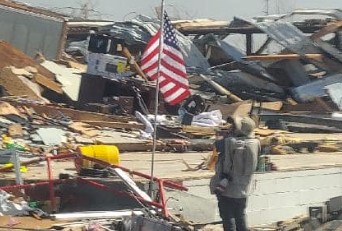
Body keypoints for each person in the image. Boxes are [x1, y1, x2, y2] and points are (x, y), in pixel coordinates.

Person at [210, 116, 260, 231]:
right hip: (244, 187)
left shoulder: (230, 142)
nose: (231, 128)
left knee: (228, 218)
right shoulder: (255, 143)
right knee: (240, 215)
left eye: (234, 127)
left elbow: (217, 145)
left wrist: (225, 135)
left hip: (227, 187)